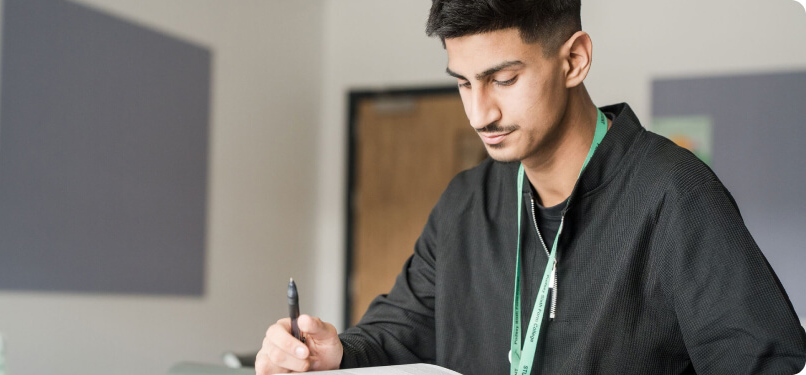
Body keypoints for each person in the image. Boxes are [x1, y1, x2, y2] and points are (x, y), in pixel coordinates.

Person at [255, 0, 806, 374]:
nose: (480, 112)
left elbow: (767, 361)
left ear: (574, 60)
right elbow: (401, 329)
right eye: (464, 84)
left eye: (504, 79)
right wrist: (336, 351)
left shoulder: (672, 194)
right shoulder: (465, 205)